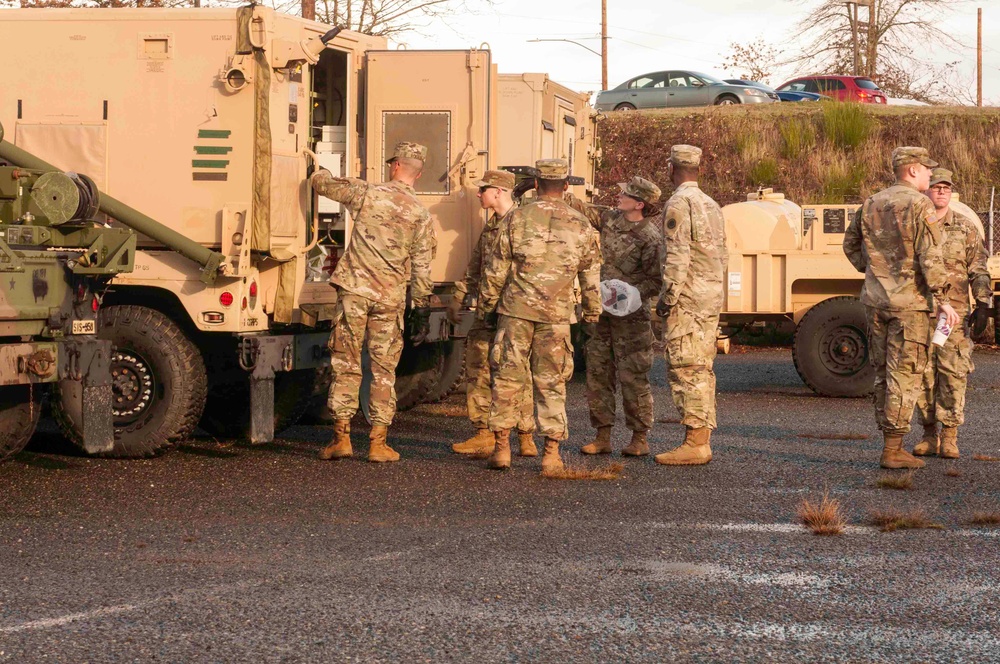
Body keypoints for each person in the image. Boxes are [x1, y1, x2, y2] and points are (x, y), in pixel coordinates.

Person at [313, 141, 436, 463]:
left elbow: (322, 184)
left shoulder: (367, 193)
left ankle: (341, 439)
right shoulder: (421, 214)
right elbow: (423, 266)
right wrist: (420, 308)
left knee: (346, 364)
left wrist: (319, 165)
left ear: (395, 166)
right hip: (390, 299)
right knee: (383, 370)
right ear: (418, 174)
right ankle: (379, 444)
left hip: (355, 292)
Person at [479, 158, 602, 472]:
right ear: (564, 186)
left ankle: (502, 449)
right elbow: (590, 275)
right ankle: (550, 454)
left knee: (506, 380)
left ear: (535, 184)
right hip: (557, 317)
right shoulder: (581, 223)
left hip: (515, 312)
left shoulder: (515, 219)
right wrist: (591, 314)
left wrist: (486, 309)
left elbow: (495, 270)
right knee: (552, 383)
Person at [843, 147, 957, 470]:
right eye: (925, 170)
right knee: (905, 375)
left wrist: (874, 271)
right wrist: (944, 301)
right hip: (910, 305)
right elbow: (930, 258)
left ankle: (889, 443)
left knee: (882, 373)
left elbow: (849, 244)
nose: (930, 176)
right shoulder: (920, 205)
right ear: (910, 171)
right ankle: (893, 450)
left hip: (876, 302)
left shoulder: (872, 202)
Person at [567, 177, 663, 456]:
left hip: (632, 319)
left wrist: (630, 293)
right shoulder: (610, 219)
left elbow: (655, 280)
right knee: (598, 375)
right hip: (602, 315)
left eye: (625, 195)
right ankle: (602, 436)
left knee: (633, 378)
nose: (619, 196)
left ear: (639, 204)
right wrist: (560, 190)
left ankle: (639, 438)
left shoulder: (650, 238)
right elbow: (584, 208)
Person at [450, 170, 537, 457]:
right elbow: (477, 264)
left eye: (483, 189)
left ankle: (525, 435)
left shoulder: (523, 223)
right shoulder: (492, 226)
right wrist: (459, 296)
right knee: (478, 367)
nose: (478, 194)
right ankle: (484, 433)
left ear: (498, 191)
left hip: (513, 311)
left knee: (517, 372)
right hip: (488, 310)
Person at [654, 145, 728, 466]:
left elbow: (677, 257)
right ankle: (700, 438)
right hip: (709, 297)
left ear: (672, 168)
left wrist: (666, 299)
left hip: (687, 299)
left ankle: (696, 442)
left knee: (687, 367)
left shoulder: (678, 204)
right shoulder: (712, 205)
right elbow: (722, 255)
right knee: (702, 367)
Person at [913, 168, 992, 459]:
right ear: (926, 191)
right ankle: (928, 434)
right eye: (936, 186)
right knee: (924, 375)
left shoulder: (965, 228)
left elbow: (978, 269)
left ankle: (950, 436)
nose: (942, 191)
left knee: (953, 373)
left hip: (954, 316)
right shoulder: (916, 226)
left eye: (946, 187)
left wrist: (983, 303)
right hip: (922, 312)